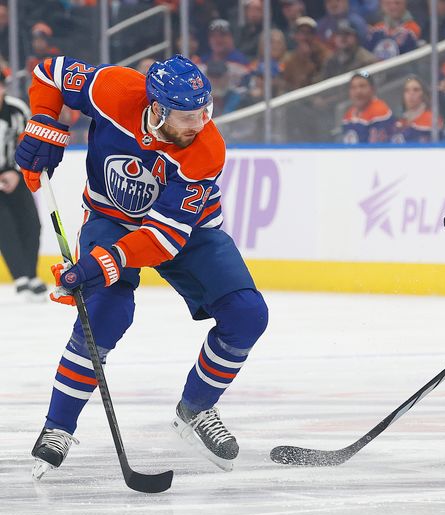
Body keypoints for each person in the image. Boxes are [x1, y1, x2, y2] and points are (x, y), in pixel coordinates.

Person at [17, 55, 268, 478]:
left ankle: (196, 409)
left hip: (188, 232)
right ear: (156, 107)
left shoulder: (206, 149)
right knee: (105, 314)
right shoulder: (115, 89)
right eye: (187, 116)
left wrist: (98, 266)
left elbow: (163, 238)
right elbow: (49, 73)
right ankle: (57, 427)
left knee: (247, 314)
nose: (198, 123)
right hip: (109, 220)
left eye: (203, 112)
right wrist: (44, 121)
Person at [0, 72, 48, 301]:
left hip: (16, 175)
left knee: (32, 224)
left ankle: (31, 274)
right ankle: (20, 278)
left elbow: (30, 143)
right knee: (5, 227)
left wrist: (17, 172)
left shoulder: (18, 110)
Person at [341, 71, 393, 143]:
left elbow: (377, 150)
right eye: (353, 87)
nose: (358, 91)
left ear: (372, 89)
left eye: (362, 86)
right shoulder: (348, 115)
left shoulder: (380, 111)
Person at [392, 76, 437, 143]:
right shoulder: (399, 123)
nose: (411, 93)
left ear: (424, 94)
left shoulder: (432, 121)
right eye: (407, 90)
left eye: (416, 90)